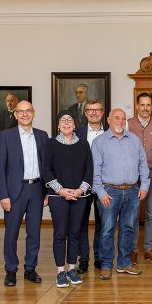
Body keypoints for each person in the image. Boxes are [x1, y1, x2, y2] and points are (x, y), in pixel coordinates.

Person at [92, 108, 150, 280]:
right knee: (107, 229)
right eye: (116, 118)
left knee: (128, 228)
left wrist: (144, 186)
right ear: (109, 120)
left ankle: (124, 263)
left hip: (132, 191)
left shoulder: (134, 140)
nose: (120, 121)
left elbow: (143, 165)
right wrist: (100, 191)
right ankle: (107, 265)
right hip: (109, 192)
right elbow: (95, 170)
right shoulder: (99, 142)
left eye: (123, 119)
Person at [0, 100, 48, 287]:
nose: (25, 114)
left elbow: (46, 166)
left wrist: (46, 192)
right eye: (21, 111)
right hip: (14, 191)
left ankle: (30, 268)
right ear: (15, 114)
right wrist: (3, 195)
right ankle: (11, 270)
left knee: (34, 232)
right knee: (11, 233)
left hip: (36, 189)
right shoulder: (6, 136)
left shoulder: (42, 136)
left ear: (33, 113)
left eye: (28, 111)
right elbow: (0, 168)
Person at [43, 110, 94, 287]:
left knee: (75, 233)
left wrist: (80, 190)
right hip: (58, 196)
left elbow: (89, 170)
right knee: (60, 233)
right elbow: (46, 170)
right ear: (58, 125)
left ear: (74, 125)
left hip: (80, 196)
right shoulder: (50, 144)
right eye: (63, 120)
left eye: (70, 120)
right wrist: (61, 190)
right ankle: (60, 272)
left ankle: (72, 269)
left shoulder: (84, 144)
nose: (66, 123)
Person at [127, 92, 152, 265]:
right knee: (133, 213)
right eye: (141, 105)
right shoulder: (128, 124)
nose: (145, 108)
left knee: (151, 213)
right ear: (137, 106)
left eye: (148, 105)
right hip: (133, 176)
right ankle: (133, 250)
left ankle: (148, 249)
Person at [75, 100, 109, 274]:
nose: (94, 113)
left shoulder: (110, 132)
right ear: (85, 113)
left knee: (102, 223)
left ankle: (100, 257)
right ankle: (84, 259)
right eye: (90, 110)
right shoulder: (77, 133)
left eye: (97, 110)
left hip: (104, 184)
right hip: (83, 184)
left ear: (102, 113)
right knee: (81, 223)